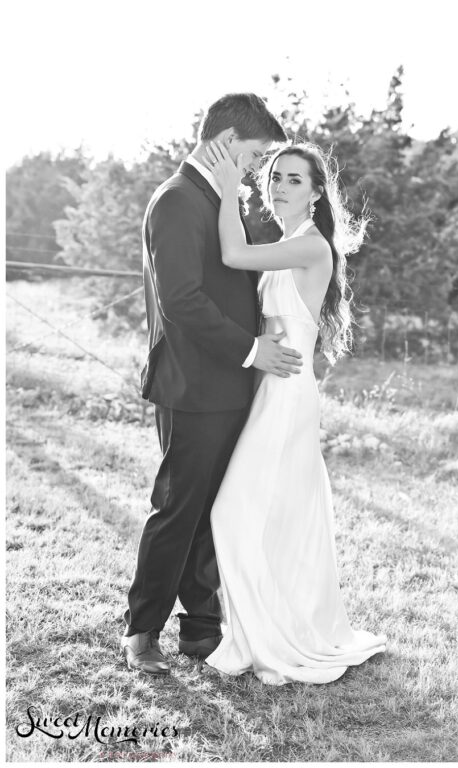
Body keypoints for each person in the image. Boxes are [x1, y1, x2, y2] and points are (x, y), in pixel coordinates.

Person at [201, 140, 386, 684]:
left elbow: (233, 255)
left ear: (316, 192)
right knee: (273, 518)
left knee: (232, 513)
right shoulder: (288, 242)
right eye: (275, 176)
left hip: (286, 397)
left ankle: (274, 639)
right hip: (269, 389)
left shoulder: (310, 246)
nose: (279, 186)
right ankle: (266, 630)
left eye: (294, 180)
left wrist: (229, 184)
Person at [123, 93, 294, 676]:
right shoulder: (175, 200)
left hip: (231, 384)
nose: (254, 169)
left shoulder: (218, 198)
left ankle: (201, 628)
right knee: (178, 507)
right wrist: (252, 349)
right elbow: (181, 301)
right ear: (223, 139)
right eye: (252, 155)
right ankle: (142, 629)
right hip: (193, 387)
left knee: (216, 509)